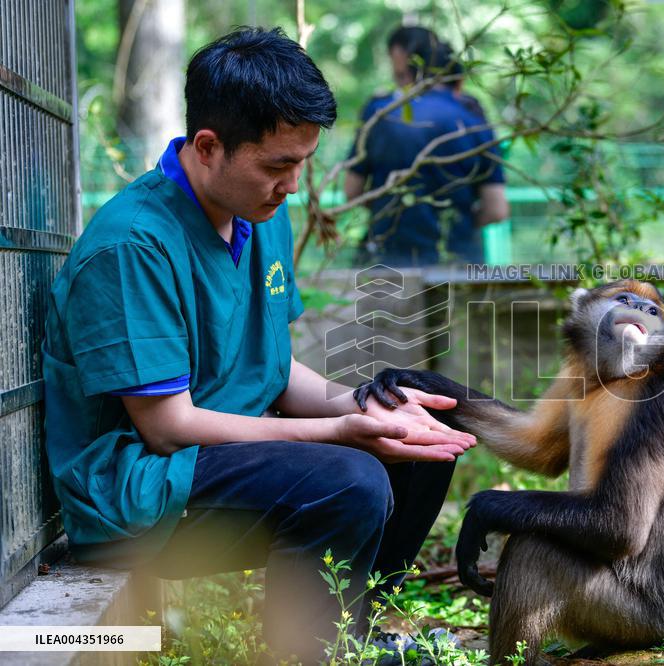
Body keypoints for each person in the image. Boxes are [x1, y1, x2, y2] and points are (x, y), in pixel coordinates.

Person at [42, 27, 475, 664]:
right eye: (278, 165)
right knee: (350, 477)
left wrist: (359, 405)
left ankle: (351, 631)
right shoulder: (131, 245)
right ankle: (307, 653)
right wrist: (338, 434)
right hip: (141, 489)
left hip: (221, 452)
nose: (295, 185)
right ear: (209, 146)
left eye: (302, 163)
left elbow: (276, 370)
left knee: (423, 404)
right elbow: (167, 427)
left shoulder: (256, 211)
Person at [344, 26, 510, 266]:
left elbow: (352, 191)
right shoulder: (472, 116)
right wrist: (457, 224)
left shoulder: (380, 111)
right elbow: (496, 210)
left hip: (388, 261)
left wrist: (397, 215)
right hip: (459, 263)